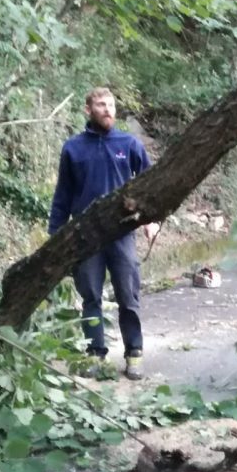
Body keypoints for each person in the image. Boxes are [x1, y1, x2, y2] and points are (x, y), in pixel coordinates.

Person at [49, 86, 155, 380]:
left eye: (110, 104)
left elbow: (151, 184)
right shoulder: (73, 148)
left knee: (128, 295)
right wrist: (55, 234)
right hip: (85, 236)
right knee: (91, 297)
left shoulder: (129, 144)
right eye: (100, 104)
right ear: (88, 110)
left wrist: (151, 220)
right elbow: (63, 195)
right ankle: (95, 353)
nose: (107, 109)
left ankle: (134, 352)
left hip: (122, 234)